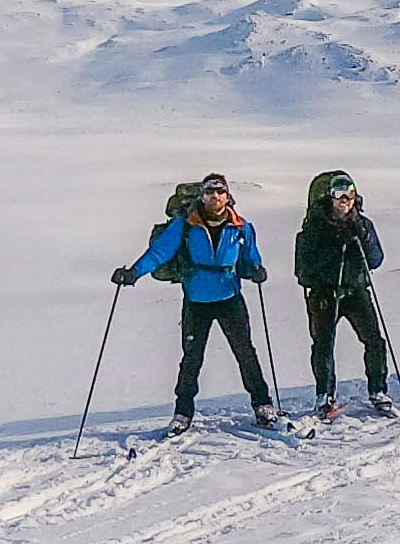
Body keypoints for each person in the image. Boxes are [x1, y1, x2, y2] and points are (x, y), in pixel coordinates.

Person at [113, 172, 278, 432]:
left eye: (220, 192)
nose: (215, 196)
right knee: (192, 358)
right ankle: (183, 412)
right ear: (202, 195)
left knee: (245, 352)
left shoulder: (242, 226)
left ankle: (263, 404)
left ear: (228, 196)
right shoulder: (185, 224)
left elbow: (249, 259)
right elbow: (159, 252)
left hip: (229, 298)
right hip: (197, 300)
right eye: (210, 192)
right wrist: (134, 272)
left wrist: (257, 269)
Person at [293, 168, 396, 419]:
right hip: (324, 294)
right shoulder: (314, 227)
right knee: (323, 345)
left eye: (349, 193)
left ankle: (378, 390)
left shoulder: (362, 224)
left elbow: (376, 259)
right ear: (330, 196)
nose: (345, 199)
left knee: (374, 340)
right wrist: (332, 253)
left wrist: (361, 235)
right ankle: (324, 394)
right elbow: (303, 270)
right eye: (339, 193)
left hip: (355, 290)